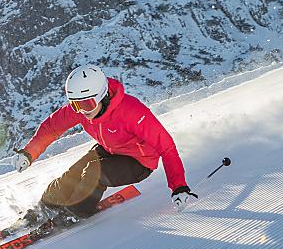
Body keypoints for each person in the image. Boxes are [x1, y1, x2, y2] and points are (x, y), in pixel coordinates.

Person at [14, 64, 197, 225]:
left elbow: (166, 147)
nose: (82, 110)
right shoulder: (81, 108)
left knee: (96, 171)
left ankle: (75, 212)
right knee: (74, 173)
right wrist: (29, 153)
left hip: (139, 162)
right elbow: (51, 128)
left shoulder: (132, 112)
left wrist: (178, 186)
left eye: (87, 104)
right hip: (111, 149)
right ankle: (45, 206)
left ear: (102, 96)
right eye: (75, 105)